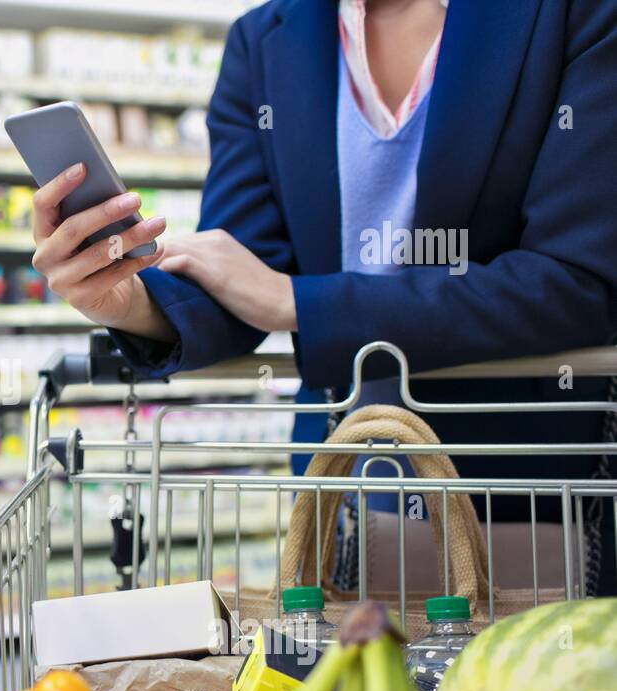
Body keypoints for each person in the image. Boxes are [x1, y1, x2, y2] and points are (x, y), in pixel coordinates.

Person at [30, 0, 617, 595]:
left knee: (518, 682)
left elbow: (578, 281)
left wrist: (298, 302)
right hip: (337, 485)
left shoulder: (571, 14)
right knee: (349, 678)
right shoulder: (264, 40)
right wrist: (127, 301)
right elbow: (242, 268)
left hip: (527, 481)